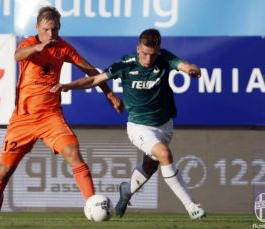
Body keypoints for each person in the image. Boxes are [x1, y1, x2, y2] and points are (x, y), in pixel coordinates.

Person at [51, 28, 206, 220]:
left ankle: (127, 190)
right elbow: (94, 79)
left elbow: (186, 65)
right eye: (144, 54)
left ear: (158, 51)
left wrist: (193, 70)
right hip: (139, 127)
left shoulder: (164, 58)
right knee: (164, 154)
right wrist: (68, 86)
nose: (148, 59)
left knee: (151, 166)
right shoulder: (126, 64)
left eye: (153, 54)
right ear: (138, 48)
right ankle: (191, 206)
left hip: (165, 125)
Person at [0, 6, 123, 220]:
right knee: (3, 171)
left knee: (73, 153)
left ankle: (93, 205)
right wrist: (39, 47)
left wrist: (108, 93)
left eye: (55, 30)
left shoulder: (63, 48)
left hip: (51, 117)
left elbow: (89, 70)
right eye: (46, 29)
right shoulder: (30, 44)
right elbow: (17, 55)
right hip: (24, 118)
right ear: (37, 28)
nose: (51, 34)